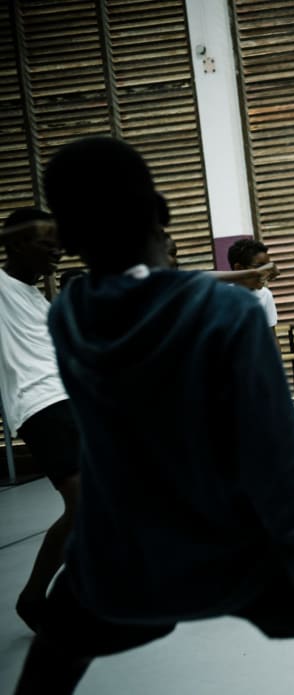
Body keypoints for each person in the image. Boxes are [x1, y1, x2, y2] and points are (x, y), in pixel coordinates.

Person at [14, 135, 294, 695]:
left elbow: (135, 288)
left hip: (118, 564)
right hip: (235, 555)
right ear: (160, 213)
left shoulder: (70, 316)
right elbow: (280, 471)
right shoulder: (224, 312)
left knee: (51, 665)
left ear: (70, 237)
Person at [0, 208, 81, 635]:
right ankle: (34, 597)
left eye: (59, 245)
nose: (57, 252)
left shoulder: (37, 298)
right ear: (15, 244)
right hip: (40, 407)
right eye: (47, 243)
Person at [227, 238, 279, 339]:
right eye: (260, 268)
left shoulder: (265, 295)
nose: (266, 273)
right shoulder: (221, 297)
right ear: (238, 268)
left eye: (268, 268)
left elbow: (271, 336)